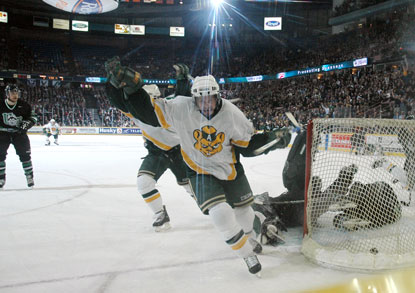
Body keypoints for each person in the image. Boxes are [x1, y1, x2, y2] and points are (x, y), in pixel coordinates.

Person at [105, 59, 291, 275]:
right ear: (194, 98)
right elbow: (148, 113)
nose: (205, 104)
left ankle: (249, 238)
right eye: (200, 99)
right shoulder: (181, 107)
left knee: (243, 211)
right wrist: (134, 89)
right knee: (220, 213)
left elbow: (247, 147)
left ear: (218, 96)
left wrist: (272, 140)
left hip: (229, 169)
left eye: (210, 99)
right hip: (198, 170)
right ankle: (247, 255)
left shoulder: (232, 114)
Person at [104, 64, 193, 232]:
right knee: (144, 183)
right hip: (157, 152)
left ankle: (215, 206)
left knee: (193, 189)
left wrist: (182, 81)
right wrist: (111, 84)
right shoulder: (140, 109)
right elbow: (119, 102)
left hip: (180, 152)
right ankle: (160, 214)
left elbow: (182, 97)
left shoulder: (167, 108)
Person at [0, 84, 37, 189]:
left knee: (25, 156)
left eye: (16, 93)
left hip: (19, 134)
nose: (15, 95)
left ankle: (29, 177)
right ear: (7, 94)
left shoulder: (24, 105)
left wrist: (27, 123)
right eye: (12, 93)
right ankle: (1, 178)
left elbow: (33, 117)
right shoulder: (1, 104)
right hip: (3, 134)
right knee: (0, 156)